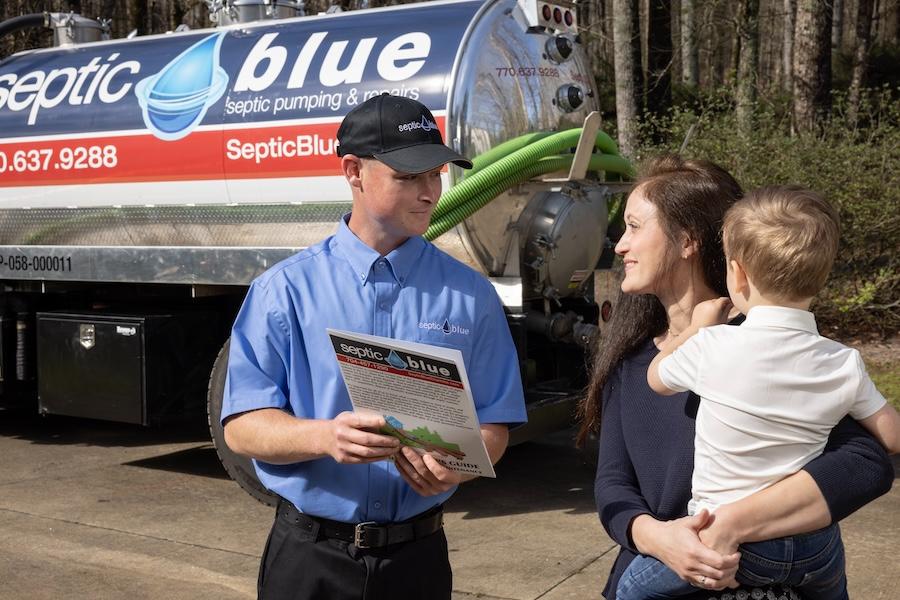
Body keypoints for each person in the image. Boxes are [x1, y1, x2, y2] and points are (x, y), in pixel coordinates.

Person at [221, 93, 527, 600]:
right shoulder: (284, 291)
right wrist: (325, 438)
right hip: (310, 559)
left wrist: (461, 464)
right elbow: (241, 428)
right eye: (409, 176)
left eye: (436, 173)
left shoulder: (471, 295)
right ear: (353, 171)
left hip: (419, 560)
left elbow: (494, 425)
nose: (431, 191)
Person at [576, 156, 894, 600]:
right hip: (661, 570)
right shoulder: (628, 362)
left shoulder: (765, 349)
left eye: (633, 226)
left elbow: (867, 464)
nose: (620, 245)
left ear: (686, 241)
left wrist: (734, 524)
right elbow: (612, 485)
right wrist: (660, 540)